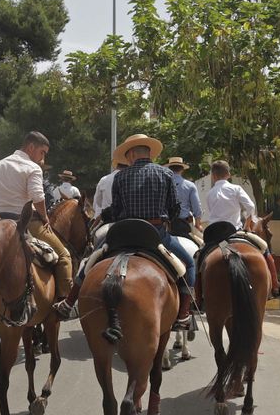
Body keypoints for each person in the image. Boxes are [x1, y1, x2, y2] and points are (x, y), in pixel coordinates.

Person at [59, 134, 195, 324]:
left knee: (89, 261)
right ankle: (183, 313)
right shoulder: (166, 174)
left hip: (123, 234)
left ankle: (69, 302)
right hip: (155, 234)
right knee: (188, 264)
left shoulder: (121, 177)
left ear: (131, 155)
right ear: (149, 154)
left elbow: (116, 210)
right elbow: (174, 208)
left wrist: (104, 216)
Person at [0, 132, 75, 313]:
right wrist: (45, 217)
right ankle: (64, 303)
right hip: (24, 222)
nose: (43, 157)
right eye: (42, 152)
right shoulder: (31, 168)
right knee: (64, 256)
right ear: (31, 147)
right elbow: (38, 197)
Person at [204, 159, 257, 228]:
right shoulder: (236, 189)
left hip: (213, 232)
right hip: (233, 230)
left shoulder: (209, 194)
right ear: (228, 174)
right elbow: (251, 206)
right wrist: (247, 224)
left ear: (213, 176)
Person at [164, 157, 203, 239]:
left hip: (167, 225)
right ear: (182, 170)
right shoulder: (190, 185)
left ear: (169, 169)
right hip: (184, 224)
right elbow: (197, 207)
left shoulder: (162, 184)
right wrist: (198, 224)